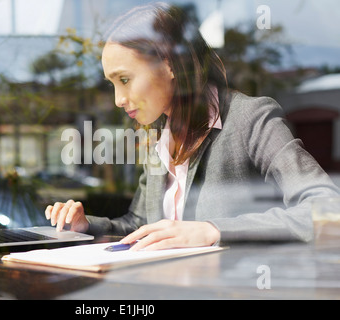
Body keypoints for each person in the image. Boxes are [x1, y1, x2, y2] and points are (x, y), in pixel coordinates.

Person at [45, 2, 339, 250]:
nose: (118, 100)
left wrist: (213, 230)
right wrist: (86, 225)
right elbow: (142, 225)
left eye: (124, 79)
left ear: (169, 65)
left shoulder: (251, 119)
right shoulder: (160, 133)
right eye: (112, 84)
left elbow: (328, 210)